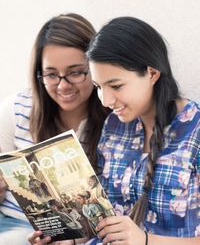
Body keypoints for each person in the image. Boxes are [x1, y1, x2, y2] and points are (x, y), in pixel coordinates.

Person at [85, 17, 200, 244]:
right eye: (99, 87)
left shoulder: (195, 129)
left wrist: (146, 240)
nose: (106, 100)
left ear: (152, 74)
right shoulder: (114, 126)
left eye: (116, 86)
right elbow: (105, 218)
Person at [0, 13, 110, 245]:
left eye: (75, 72)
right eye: (51, 75)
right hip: (12, 224)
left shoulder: (115, 119)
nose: (63, 85)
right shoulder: (17, 109)